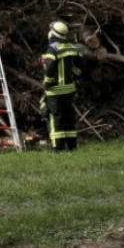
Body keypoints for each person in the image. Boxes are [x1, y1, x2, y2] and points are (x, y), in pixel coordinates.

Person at [41, 20, 81, 151]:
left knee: (55, 117)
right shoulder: (72, 47)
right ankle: (72, 146)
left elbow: (50, 67)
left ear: (53, 33)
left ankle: (58, 147)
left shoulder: (52, 49)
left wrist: (47, 80)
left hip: (55, 90)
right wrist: (73, 74)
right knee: (69, 117)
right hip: (69, 90)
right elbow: (80, 67)